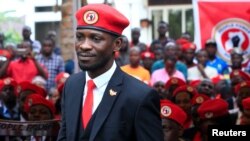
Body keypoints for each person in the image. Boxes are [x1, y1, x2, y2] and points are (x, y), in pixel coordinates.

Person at [57, 4, 164, 141]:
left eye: (96, 39)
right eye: (79, 37)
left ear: (117, 44)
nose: (84, 45)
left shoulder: (140, 96)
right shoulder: (72, 85)